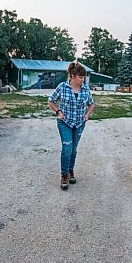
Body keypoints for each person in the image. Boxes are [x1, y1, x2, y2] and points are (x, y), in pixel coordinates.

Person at [48, 61, 95, 190]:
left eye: (83, 77)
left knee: (74, 149)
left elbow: (92, 104)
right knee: (67, 148)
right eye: (80, 77)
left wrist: (87, 114)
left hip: (79, 123)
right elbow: (50, 101)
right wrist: (58, 111)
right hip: (65, 123)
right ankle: (64, 175)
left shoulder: (85, 89)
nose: (82, 80)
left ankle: (70, 171)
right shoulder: (62, 87)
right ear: (73, 76)